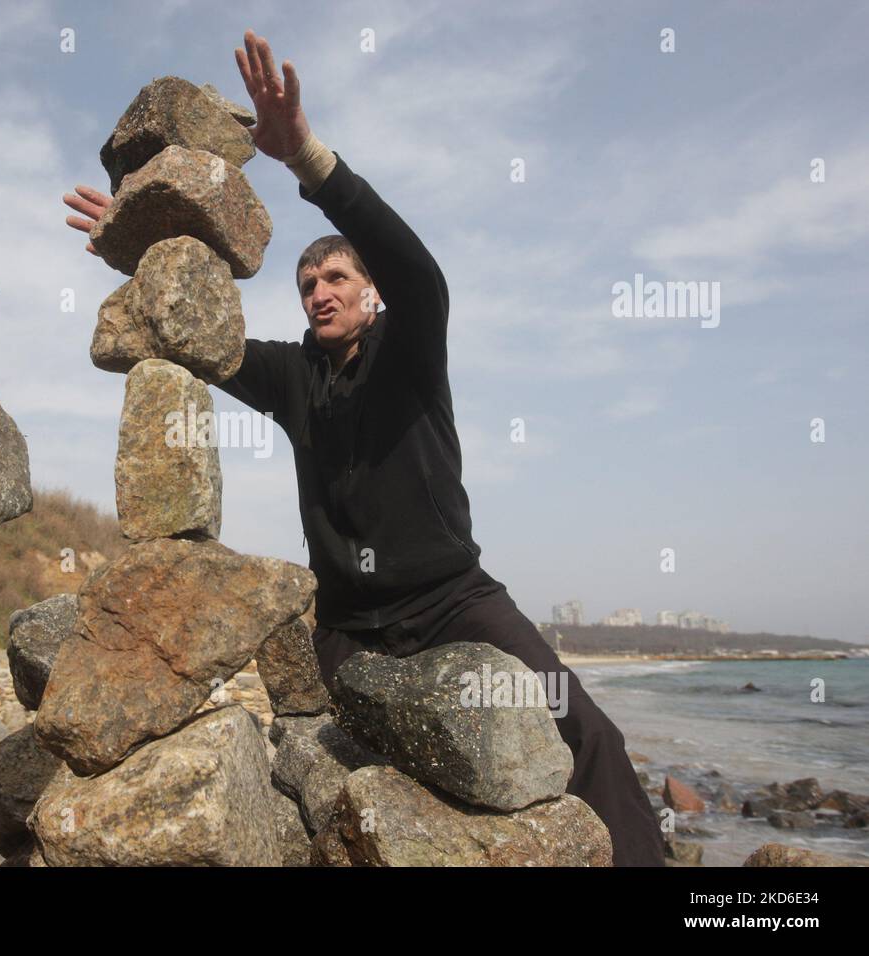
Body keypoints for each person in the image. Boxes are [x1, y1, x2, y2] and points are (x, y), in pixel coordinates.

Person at [63, 29, 665, 867]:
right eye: (307, 284)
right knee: (380, 794)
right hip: (350, 632)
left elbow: (421, 272)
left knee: (586, 732)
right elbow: (204, 335)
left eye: (336, 279)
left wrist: (307, 157)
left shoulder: (410, 345)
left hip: (455, 602)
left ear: (370, 293)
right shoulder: (291, 375)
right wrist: (136, 251)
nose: (319, 293)